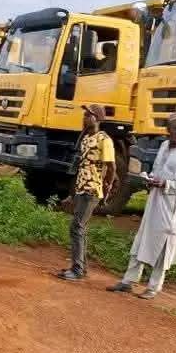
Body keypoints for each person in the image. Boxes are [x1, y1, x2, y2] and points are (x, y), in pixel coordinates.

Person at [107, 110, 176, 300]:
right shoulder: (164, 146)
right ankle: (128, 281)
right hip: (154, 201)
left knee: (163, 245)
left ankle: (154, 287)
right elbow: (157, 170)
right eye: (175, 129)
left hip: (170, 206)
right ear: (167, 130)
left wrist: (166, 184)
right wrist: (150, 180)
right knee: (142, 240)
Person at [57, 104, 116, 281]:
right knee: (80, 228)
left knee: (77, 227)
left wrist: (107, 188)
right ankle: (80, 267)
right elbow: (81, 168)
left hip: (92, 190)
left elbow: (111, 167)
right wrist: (73, 193)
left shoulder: (104, 140)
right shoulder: (85, 139)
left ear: (96, 118)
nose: (84, 118)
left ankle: (77, 269)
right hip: (82, 189)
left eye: (87, 115)